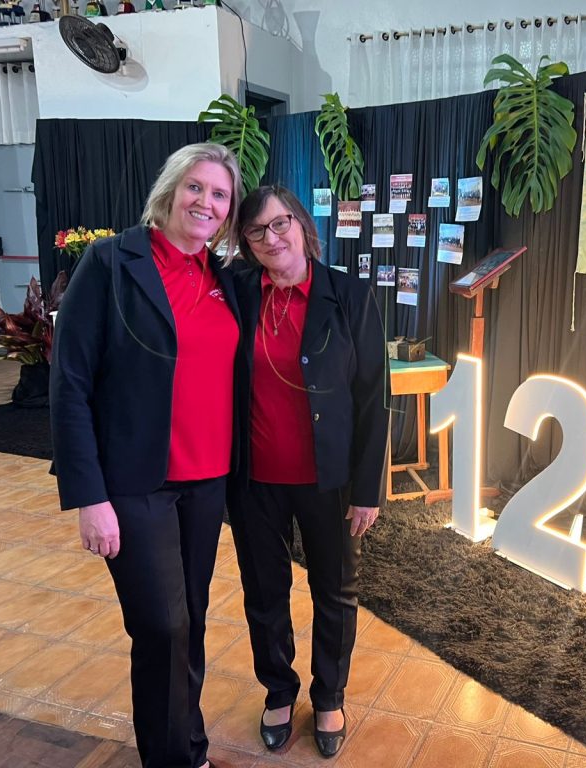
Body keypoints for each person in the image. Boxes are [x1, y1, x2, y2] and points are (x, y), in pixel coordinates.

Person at [50, 142, 243, 768]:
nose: (206, 202)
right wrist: (89, 497)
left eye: (220, 194)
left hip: (207, 480)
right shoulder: (112, 261)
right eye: (196, 187)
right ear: (170, 190)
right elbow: (70, 382)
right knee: (162, 626)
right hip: (135, 482)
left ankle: (189, 748)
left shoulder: (224, 277)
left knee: (190, 620)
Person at [226, 185, 388, 758]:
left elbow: (374, 397)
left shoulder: (349, 295)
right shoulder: (237, 293)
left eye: (280, 224)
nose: (271, 238)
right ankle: (278, 688)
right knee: (264, 591)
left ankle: (329, 695)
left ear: (300, 224)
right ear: (245, 242)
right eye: (256, 231)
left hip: (331, 480)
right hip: (254, 480)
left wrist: (368, 490)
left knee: (335, 592)